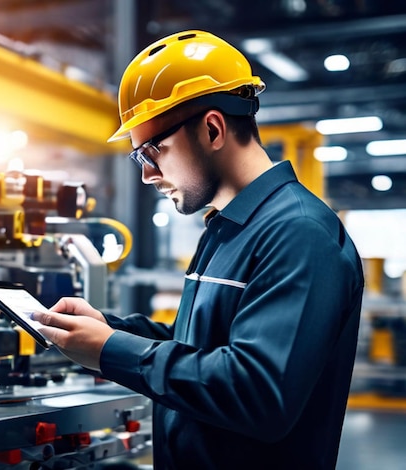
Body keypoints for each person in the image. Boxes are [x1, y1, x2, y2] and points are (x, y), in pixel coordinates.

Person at [32, 30, 364, 469]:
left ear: (212, 129)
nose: (148, 175)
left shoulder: (299, 234)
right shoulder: (226, 228)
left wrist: (112, 351)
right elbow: (204, 349)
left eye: (153, 151)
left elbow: (256, 394)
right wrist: (108, 330)